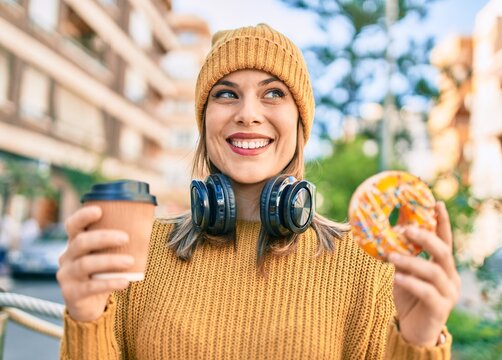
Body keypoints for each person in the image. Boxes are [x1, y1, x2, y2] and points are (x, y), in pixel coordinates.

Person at [57, 24, 460, 359]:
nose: (248, 113)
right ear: (204, 122)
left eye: (273, 93)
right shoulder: (139, 252)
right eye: (226, 94)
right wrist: (86, 317)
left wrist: (419, 342)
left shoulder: (366, 266)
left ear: (300, 126)